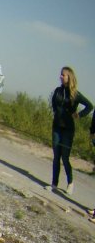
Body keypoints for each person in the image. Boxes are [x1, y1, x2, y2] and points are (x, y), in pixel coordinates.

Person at [49, 66, 93, 195]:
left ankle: (70, 183)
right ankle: (54, 184)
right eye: (61, 74)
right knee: (56, 156)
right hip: (56, 127)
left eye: (63, 75)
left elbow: (90, 106)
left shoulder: (75, 94)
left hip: (68, 129)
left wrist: (79, 115)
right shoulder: (58, 91)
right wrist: (57, 113)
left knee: (65, 157)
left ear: (69, 77)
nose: (60, 76)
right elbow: (54, 103)